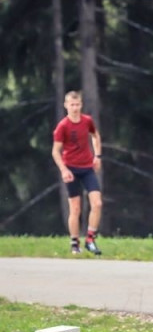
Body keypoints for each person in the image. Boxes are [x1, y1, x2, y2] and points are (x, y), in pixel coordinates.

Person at [51, 91, 104, 256]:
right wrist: (64, 170)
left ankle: (90, 239)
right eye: (71, 105)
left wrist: (98, 155)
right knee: (75, 208)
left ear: (81, 105)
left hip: (87, 167)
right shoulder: (62, 126)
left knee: (97, 203)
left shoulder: (87, 121)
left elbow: (95, 136)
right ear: (66, 106)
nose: (75, 108)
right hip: (71, 169)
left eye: (77, 105)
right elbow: (55, 151)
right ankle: (75, 242)